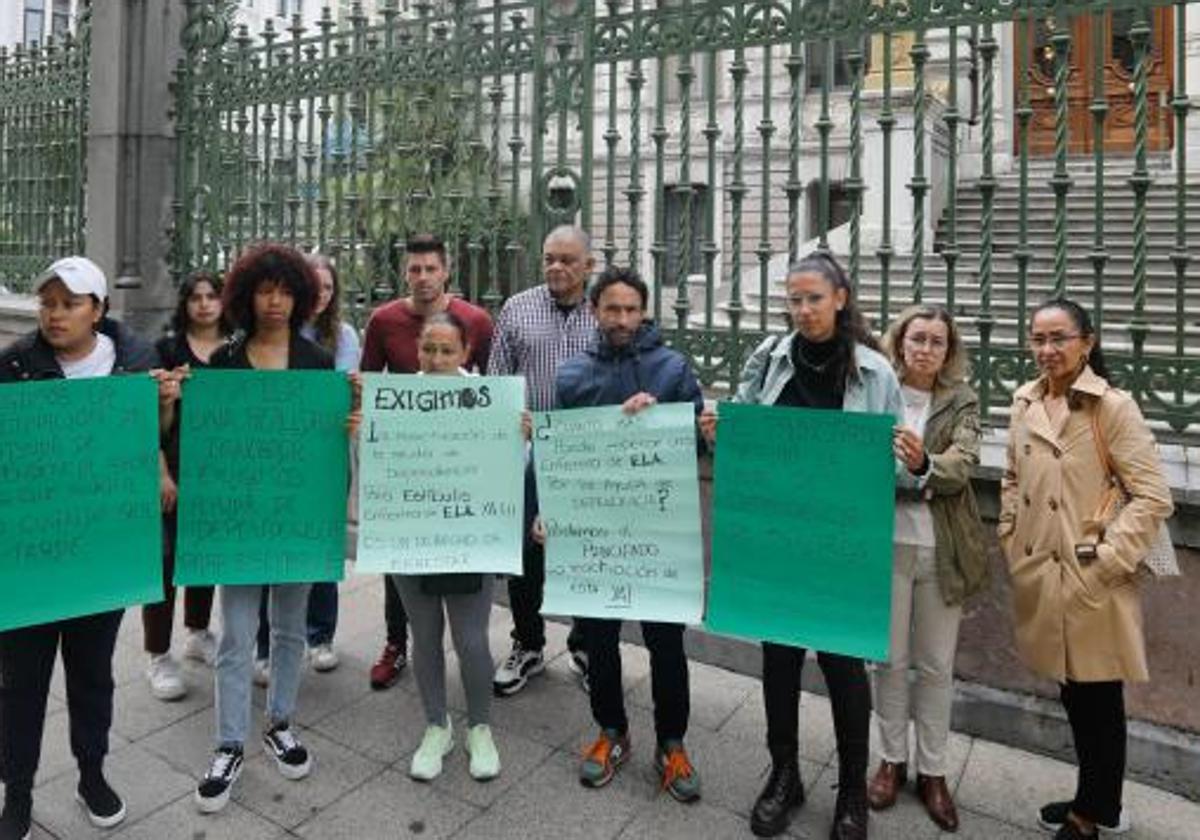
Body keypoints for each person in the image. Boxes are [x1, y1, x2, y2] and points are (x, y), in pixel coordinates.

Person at [700, 252, 903, 840]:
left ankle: (851, 792)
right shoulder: (768, 359)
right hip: (778, 538)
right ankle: (785, 774)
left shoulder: (874, 373)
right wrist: (720, 434)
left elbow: (892, 472)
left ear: (840, 298)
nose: (804, 310)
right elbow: (742, 445)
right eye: (794, 299)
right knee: (780, 662)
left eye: (814, 298)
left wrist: (912, 462)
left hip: (841, 543)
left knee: (844, 667)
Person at [998, 298, 1173, 840]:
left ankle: (1091, 815)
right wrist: (1012, 539)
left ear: (1087, 343)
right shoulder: (1024, 399)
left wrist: (1107, 563)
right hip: (1042, 577)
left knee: (1100, 702)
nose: (1047, 350)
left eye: (1059, 338)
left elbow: (1152, 497)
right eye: (1038, 339)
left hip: (1093, 579)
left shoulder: (1112, 408)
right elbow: (1010, 479)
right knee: (1075, 696)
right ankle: (1096, 798)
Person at [0, 256, 162, 838]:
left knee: (92, 673)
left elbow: (155, 438)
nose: (54, 314)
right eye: (47, 303)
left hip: (102, 554)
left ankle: (92, 774)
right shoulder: (13, 366)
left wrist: (164, 409)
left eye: (69, 303)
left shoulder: (138, 363)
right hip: (32, 558)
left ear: (98, 309)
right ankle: (16, 789)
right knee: (21, 681)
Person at [191, 243, 353, 814]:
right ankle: (228, 743)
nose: (276, 300)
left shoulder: (316, 363)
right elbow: (208, 445)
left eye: (286, 290)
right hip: (240, 526)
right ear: (248, 295)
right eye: (265, 289)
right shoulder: (225, 363)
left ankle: (280, 722)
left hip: (297, 523)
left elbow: (329, 444)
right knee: (236, 636)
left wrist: (349, 419)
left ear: (301, 296)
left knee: (289, 632)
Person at [554, 266, 704, 801]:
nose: (621, 319)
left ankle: (672, 741)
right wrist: (548, 510)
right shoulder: (572, 376)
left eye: (630, 309)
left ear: (644, 313)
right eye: (611, 309)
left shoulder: (673, 369)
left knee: (667, 643)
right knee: (599, 639)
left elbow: (700, 444)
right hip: (596, 535)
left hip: (658, 534)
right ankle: (611, 731)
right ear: (595, 311)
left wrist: (667, 419)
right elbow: (560, 458)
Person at [867, 305, 989, 832]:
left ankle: (934, 771)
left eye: (937, 342)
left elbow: (964, 463)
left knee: (936, 665)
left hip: (940, 547)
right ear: (900, 342)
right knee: (888, 661)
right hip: (883, 542)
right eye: (918, 338)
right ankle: (891, 760)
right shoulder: (877, 391)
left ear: (948, 351)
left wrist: (922, 465)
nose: (926, 349)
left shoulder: (961, 399)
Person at [375, 311, 507, 782]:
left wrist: (521, 437)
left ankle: (480, 728)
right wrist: (359, 431)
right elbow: (376, 464)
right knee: (424, 636)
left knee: (471, 640)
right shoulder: (395, 399)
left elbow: (510, 470)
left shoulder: (492, 401)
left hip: (470, 536)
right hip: (411, 533)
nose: (435, 358)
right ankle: (437, 726)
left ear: (465, 353)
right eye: (428, 348)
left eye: (447, 350)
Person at [359, 234, 493, 691]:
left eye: (430, 269)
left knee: (458, 562)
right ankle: (396, 644)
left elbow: (489, 391)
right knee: (399, 560)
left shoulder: (475, 321)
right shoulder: (383, 321)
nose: (422, 277)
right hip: (406, 464)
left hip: (461, 466)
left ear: (446, 271)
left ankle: (473, 646)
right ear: (405, 273)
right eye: (414, 269)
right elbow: (371, 389)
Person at [488, 225, 598, 697]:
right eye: (550, 257)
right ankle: (528, 643)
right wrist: (514, 416)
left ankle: (587, 646)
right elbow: (495, 381)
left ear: (588, 265)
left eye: (568, 260)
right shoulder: (517, 308)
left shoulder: (606, 310)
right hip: (528, 454)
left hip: (590, 455)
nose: (556, 267)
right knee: (525, 554)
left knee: (582, 552)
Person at [254, 253, 360, 679]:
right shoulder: (272, 331)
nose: (321, 295)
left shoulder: (344, 335)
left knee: (320, 544)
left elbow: (333, 393)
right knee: (269, 546)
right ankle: (266, 643)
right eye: (313, 286)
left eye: (329, 288)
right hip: (275, 456)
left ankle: (320, 636)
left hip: (323, 452)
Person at [142, 271, 226, 702]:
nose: (205, 304)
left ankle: (198, 632)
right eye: (196, 297)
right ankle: (158, 654)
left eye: (213, 296)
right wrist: (161, 472)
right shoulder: (167, 349)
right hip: (175, 469)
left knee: (204, 556)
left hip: (219, 474)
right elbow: (153, 427)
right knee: (165, 560)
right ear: (185, 304)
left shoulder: (234, 351)